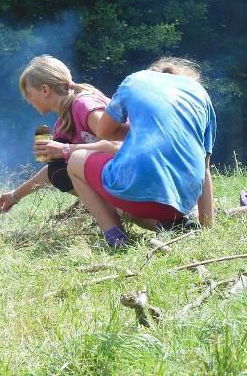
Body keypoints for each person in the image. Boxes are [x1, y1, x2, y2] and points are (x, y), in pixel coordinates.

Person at [67, 57, 216, 248]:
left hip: (137, 197)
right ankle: (173, 225)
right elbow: (204, 171)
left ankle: (116, 238)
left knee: (76, 160)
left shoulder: (135, 80)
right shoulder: (201, 95)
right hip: (181, 205)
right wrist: (207, 231)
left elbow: (103, 132)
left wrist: (139, 130)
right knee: (135, 197)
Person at [0, 55, 120, 212]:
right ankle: (103, 211)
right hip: (118, 180)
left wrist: (66, 149)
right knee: (58, 170)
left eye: (29, 93)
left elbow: (119, 146)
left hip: (140, 177)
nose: (28, 100)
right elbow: (53, 171)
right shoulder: (62, 125)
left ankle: (112, 211)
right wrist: (15, 195)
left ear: (45, 90)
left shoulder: (83, 104)